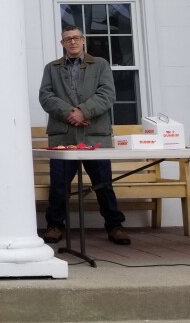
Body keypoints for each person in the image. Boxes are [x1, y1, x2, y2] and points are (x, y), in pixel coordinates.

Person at [39, 25, 130, 246]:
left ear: (83, 40)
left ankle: (114, 226)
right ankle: (54, 226)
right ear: (62, 44)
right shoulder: (52, 68)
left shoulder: (100, 65)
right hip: (63, 136)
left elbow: (107, 94)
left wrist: (84, 112)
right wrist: (70, 113)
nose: (72, 42)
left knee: (103, 183)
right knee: (59, 185)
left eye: (76, 38)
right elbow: (45, 96)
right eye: (67, 39)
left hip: (94, 136)